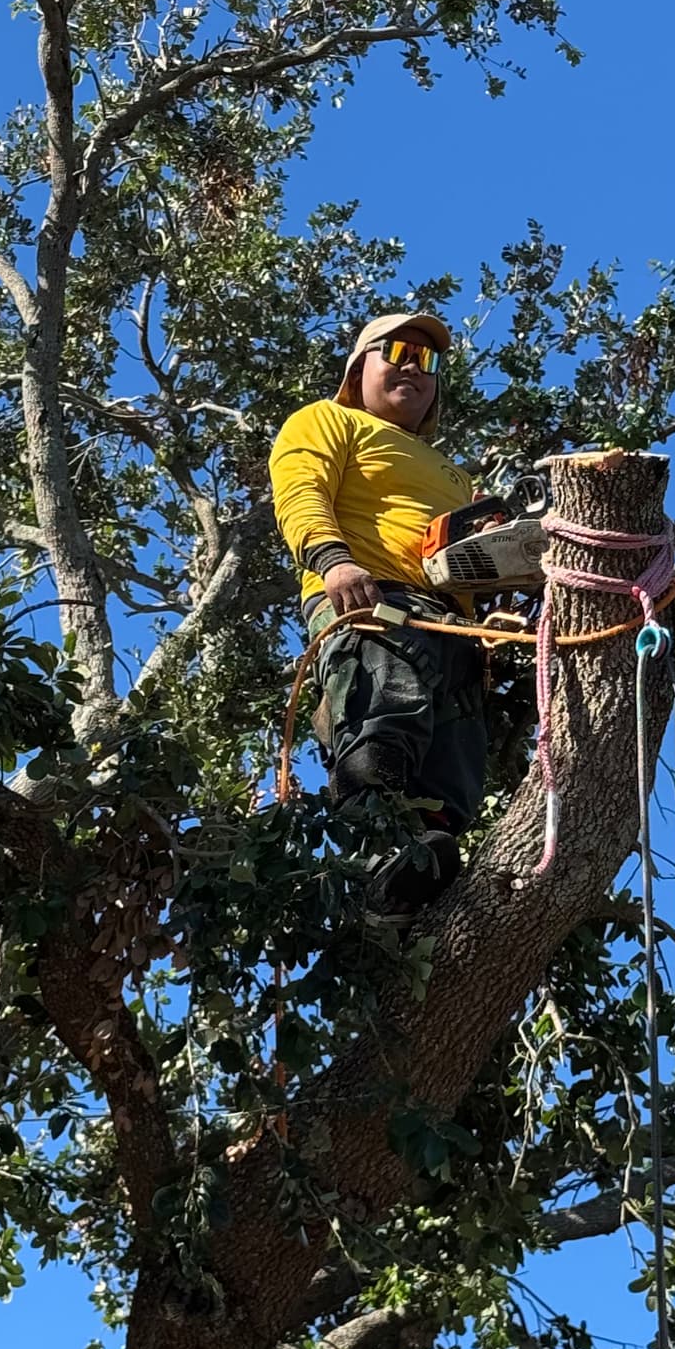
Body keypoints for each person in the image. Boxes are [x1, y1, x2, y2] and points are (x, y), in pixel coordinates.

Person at [269, 311, 486, 914]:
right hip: (374, 601)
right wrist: (333, 561)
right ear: (359, 365)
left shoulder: (454, 474)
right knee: (386, 714)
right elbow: (300, 489)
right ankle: (374, 855)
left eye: (429, 362)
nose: (414, 368)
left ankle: (422, 883)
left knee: (452, 768)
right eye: (398, 351)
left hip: (456, 627)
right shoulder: (330, 420)